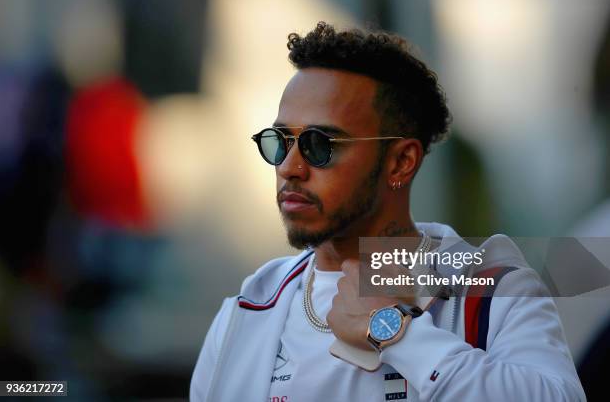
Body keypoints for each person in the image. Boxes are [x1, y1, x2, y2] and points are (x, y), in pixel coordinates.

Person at [190, 22, 585, 401]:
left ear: (400, 162)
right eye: (281, 141)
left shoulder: (490, 290)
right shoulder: (247, 310)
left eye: (319, 144)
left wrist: (395, 332)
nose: (290, 167)